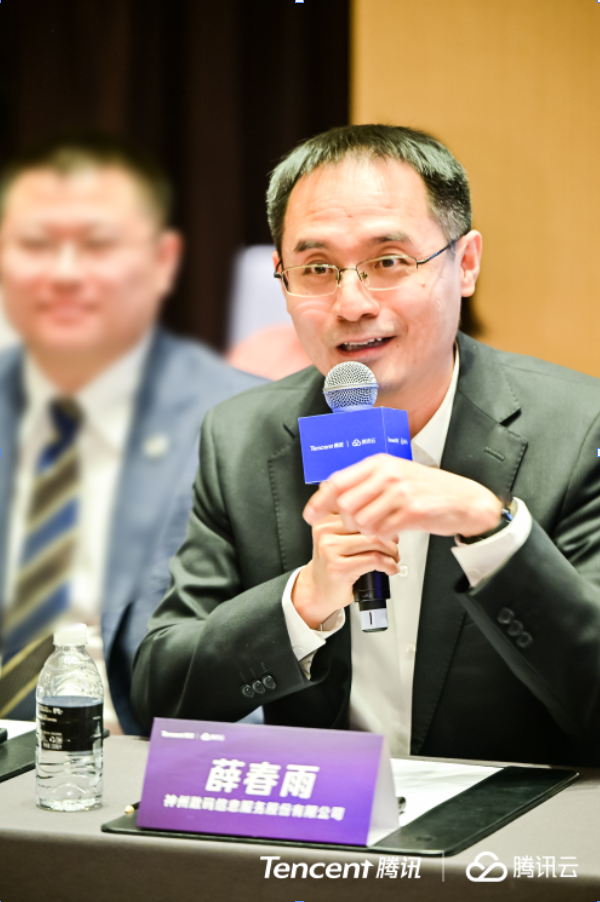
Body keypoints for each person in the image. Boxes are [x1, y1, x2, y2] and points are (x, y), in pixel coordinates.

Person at [132, 124, 600, 766]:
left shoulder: (579, 429)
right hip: (322, 815)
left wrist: (490, 530)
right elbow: (161, 695)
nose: (351, 304)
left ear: (465, 264)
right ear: (283, 282)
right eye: (317, 269)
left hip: (513, 821)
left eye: (389, 262)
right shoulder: (240, 436)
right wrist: (304, 601)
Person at [0, 135, 261, 734]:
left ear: (163, 260)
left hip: (154, 762)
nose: (65, 273)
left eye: (99, 245)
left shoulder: (249, 422)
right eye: (35, 245)